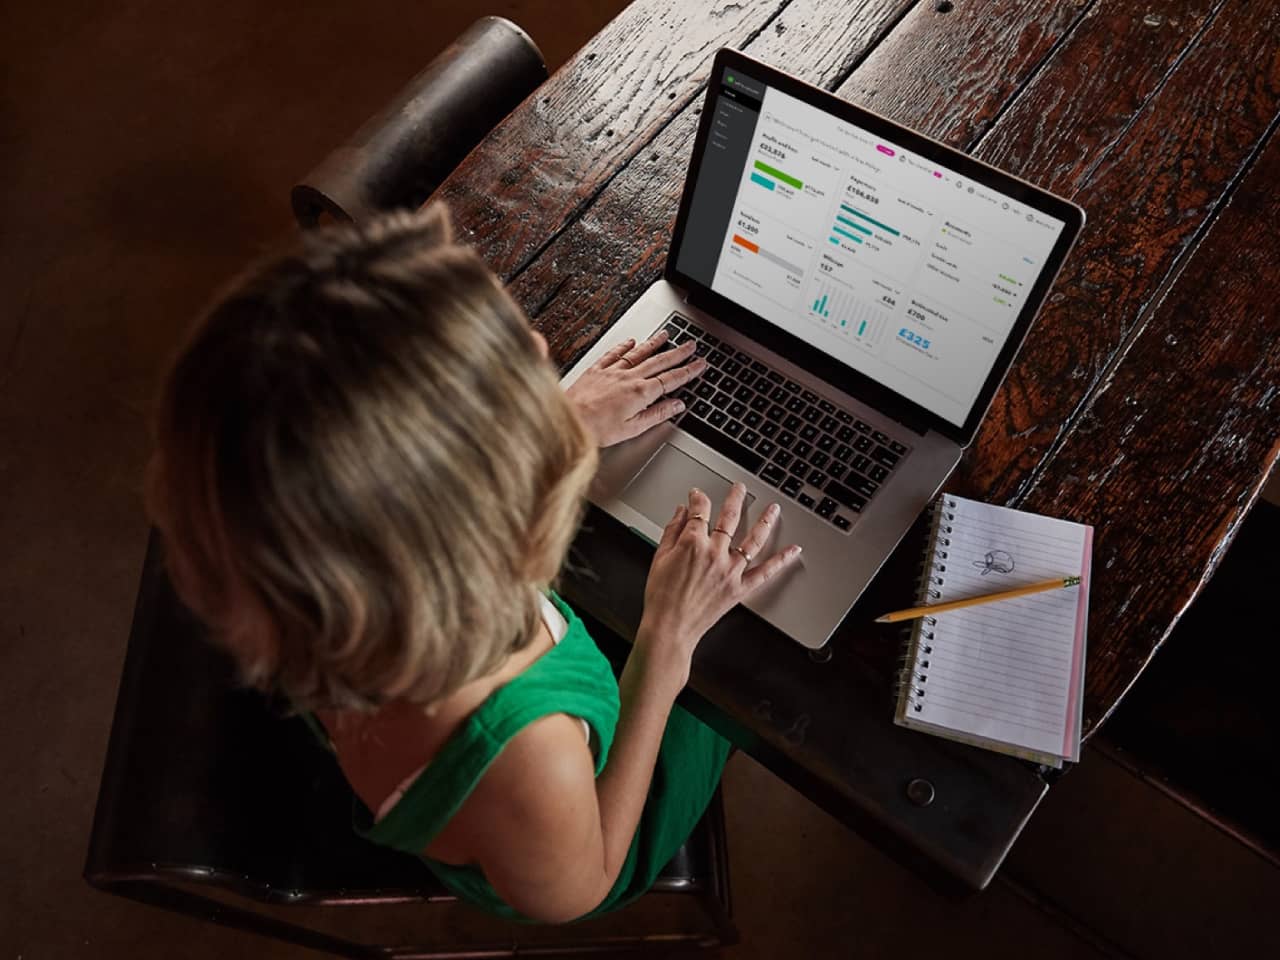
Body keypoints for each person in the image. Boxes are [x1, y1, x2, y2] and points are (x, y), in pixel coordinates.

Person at [145, 204, 801, 923]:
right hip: (568, 824)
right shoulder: (529, 758)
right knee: (759, 653)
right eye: (520, 387)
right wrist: (664, 645)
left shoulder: (314, 575)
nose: (544, 344)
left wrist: (555, 425)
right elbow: (582, 886)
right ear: (475, 532)